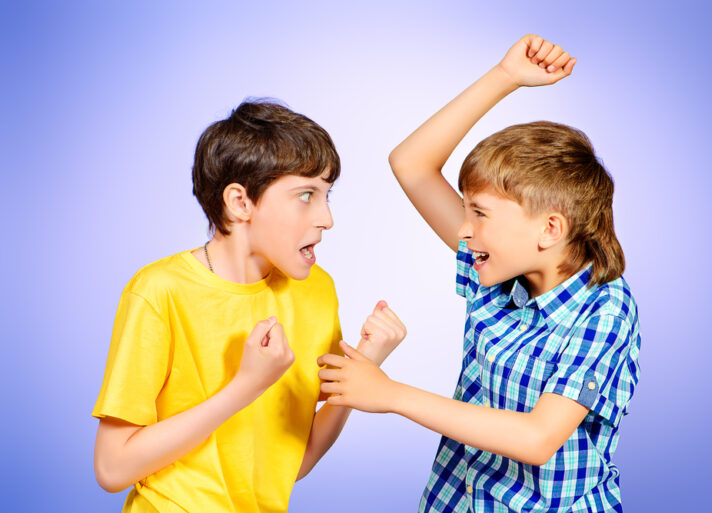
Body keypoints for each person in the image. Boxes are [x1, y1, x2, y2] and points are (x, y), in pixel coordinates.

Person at [318, 34, 641, 512]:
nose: (464, 230)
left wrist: (391, 395)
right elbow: (411, 164)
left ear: (550, 228)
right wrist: (506, 76)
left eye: (481, 213)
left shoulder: (605, 309)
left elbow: (536, 438)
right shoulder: (497, 266)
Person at [92, 100, 406, 513]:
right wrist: (247, 385)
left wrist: (364, 364)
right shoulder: (158, 292)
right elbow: (112, 470)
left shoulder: (316, 290)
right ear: (240, 203)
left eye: (328, 195)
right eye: (306, 195)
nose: (327, 218)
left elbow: (297, 461)